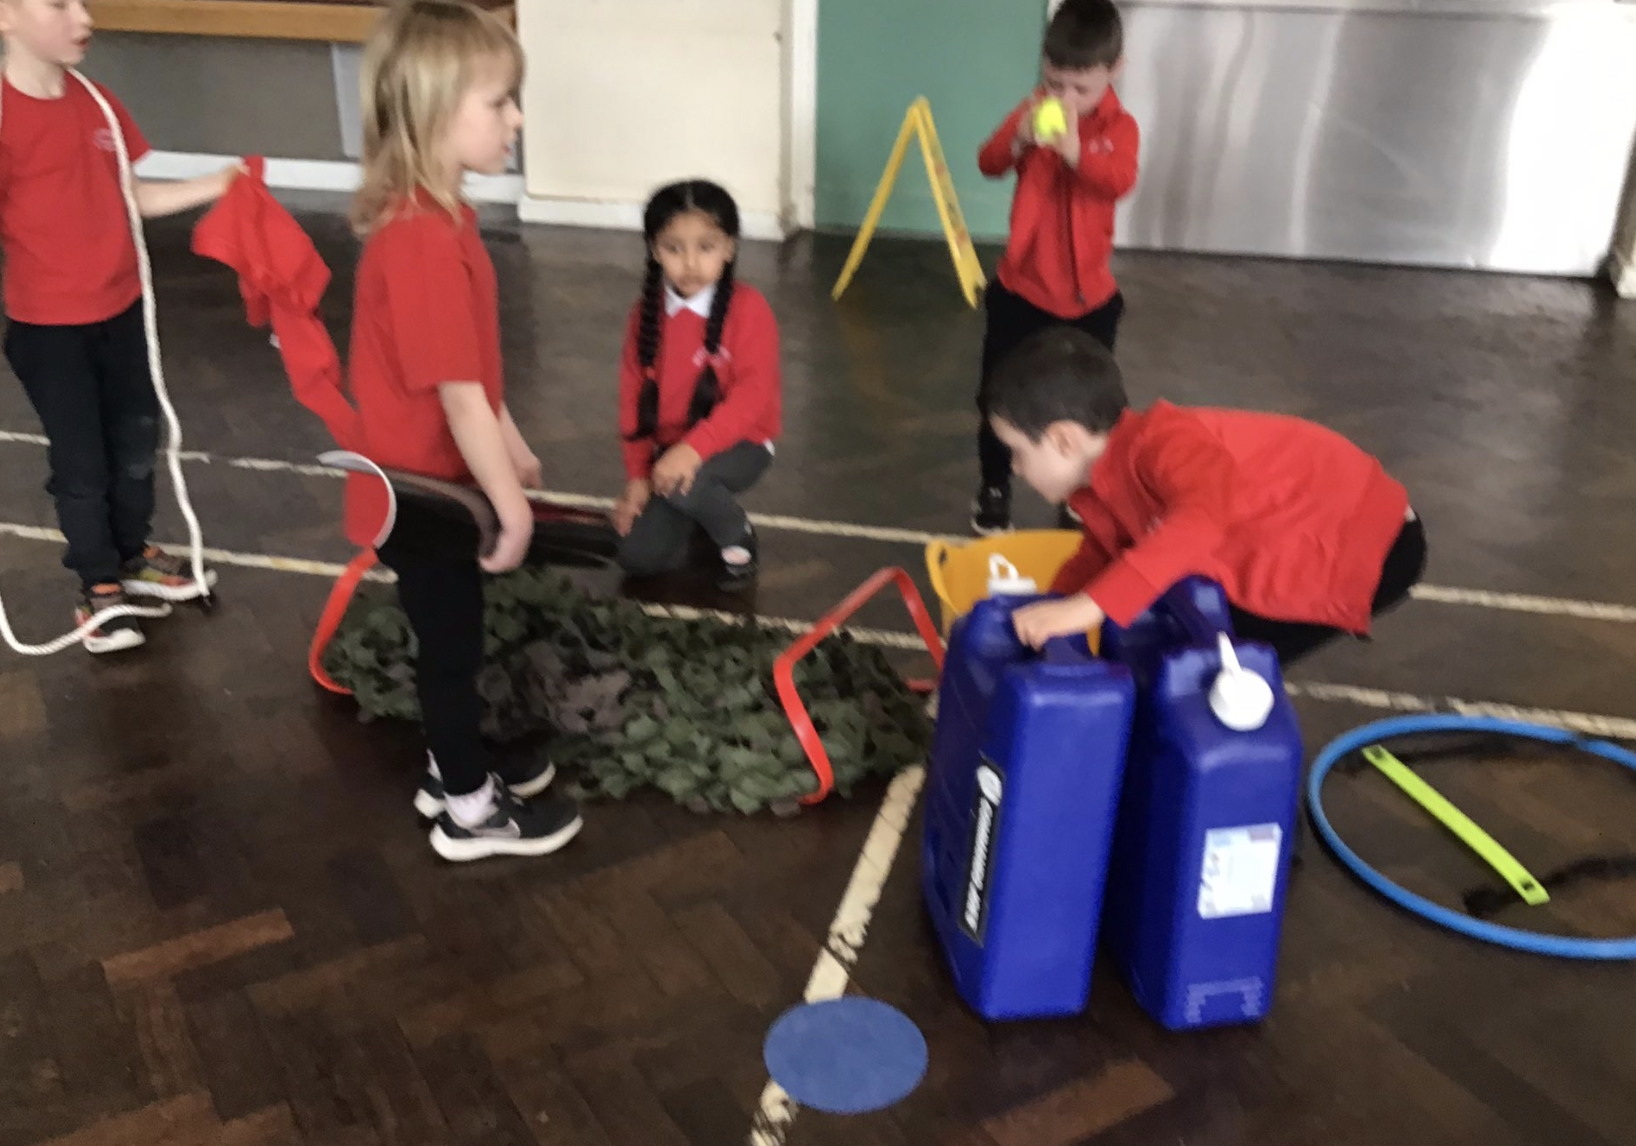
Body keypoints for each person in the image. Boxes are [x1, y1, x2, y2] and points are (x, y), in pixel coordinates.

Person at [347, 0, 581, 861]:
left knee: (457, 635)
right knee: (449, 650)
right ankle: (468, 811)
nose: (516, 119)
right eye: (499, 102)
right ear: (437, 113)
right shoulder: (420, 241)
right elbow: (456, 398)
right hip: (420, 497)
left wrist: (511, 450)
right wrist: (509, 506)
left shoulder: (445, 220)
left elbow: (475, 372)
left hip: (441, 485)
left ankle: (457, 766)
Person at [0, 0, 234, 652]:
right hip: (50, 331)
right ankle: (97, 584)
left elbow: (132, 198)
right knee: (82, 461)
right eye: (58, 4)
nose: (83, 17)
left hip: (123, 312)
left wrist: (221, 183)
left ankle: (132, 554)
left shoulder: (98, 103)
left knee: (135, 443)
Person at [984, 327, 1426, 663]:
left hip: (1370, 545)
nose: (1016, 468)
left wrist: (1089, 607)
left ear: (1064, 440)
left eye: (1017, 452)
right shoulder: (1100, 482)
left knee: (1225, 670)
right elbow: (1100, 557)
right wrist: (1048, 612)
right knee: (1190, 651)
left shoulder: (1165, 442)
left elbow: (1202, 519)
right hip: (1295, 538)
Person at [971, 0, 1138, 537]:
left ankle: (1080, 493)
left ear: (1114, 70)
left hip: (1090, 301)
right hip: (1021, 290)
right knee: (998, 394)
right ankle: (995, 487)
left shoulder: (1120, 128)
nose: (1064, 98)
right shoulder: (1033, 108)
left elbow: (1119, 180)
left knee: (1088, 406)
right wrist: (1019, 138)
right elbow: (988, 162)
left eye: (1080, 89)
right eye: (1053, 82)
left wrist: (1075, 153)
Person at [611, 179, 781, 593]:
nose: (690, 263)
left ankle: (739, 539)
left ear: (729, 248)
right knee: (635, 557)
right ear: (655, 251)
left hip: (742, 444)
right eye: (674, 248)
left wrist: (691, 451)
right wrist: (637, 478)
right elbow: (633, 401)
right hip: (674, 455)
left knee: (685, 486)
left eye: (706, 247)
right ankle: (700, 508)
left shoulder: (749, 308)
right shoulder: (643, 316)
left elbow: (753, 399)